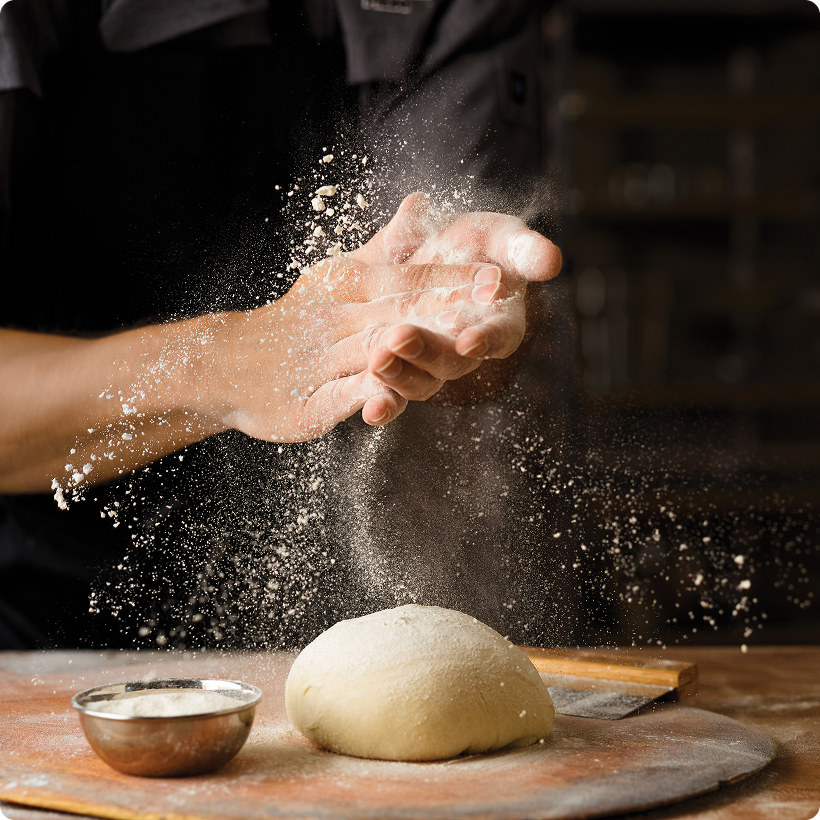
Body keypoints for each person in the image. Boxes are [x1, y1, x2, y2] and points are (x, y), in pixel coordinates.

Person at [0, 0, 568, 649]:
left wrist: (458, 303)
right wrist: (229, 364)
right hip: (34, 624)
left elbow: (477, 330)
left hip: (353, 618)